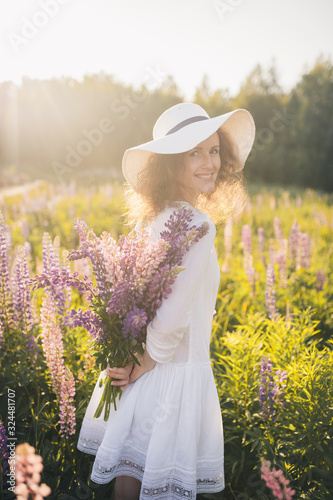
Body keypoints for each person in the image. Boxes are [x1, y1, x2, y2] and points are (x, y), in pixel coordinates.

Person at [77, 103, 255, 500]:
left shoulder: (153, 219)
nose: (209, 162)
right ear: (170, 163)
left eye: (213, 150)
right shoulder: (198, 225)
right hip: (169, 379)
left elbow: (134, 302)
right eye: (194, 153)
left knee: (130, 482)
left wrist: (129, 361)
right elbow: (170, 319)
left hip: (143, 379)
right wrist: (138, 365)